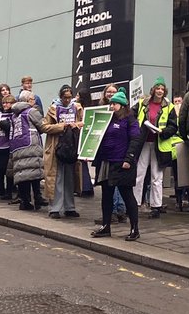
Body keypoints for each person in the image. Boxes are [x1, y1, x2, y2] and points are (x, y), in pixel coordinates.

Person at [91, 91, 144, 240]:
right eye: (111, 103)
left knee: (127, 195)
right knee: (106, 195)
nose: (111, 106)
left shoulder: (129, 119)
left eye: (114, 103)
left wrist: (129, 159)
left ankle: (135, 229)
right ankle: (106, 226)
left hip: (121, 162)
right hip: (106, 161)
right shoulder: (107, 118)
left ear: (122, 105)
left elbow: (135, 140)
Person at [135, 78, 179, 219]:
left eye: (162, 88)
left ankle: (156, 206)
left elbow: (173, 126)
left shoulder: (169, 106)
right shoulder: (143, 103)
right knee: (139, 174)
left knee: (157, 177)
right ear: (153, 89)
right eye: (157, 88)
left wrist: (163, 131)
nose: (160, 91)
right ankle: (134, 203)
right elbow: (132, 117)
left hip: (160, 143)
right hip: (143, 142)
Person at [43, 85, 84, 218]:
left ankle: (69, 207)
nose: (67, 100)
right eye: (64, 98)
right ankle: (55, 208)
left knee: (70, 177)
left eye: (69, 97)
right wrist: (62, 126)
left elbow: (84, 123)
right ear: (60, 97)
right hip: (57, 146)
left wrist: (76, 125)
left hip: (72, 145)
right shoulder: (53, 108)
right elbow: (45, 126)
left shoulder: (77, 108)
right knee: (57, 177)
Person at [9, 90, 46, 210]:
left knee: (23, 174)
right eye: (32, 99)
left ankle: (25, 201)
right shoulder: (32, 111)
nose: (34, 101)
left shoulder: (14, 114)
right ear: (27, 101)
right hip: (31, 145)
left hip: (18, 146)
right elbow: (42, 126)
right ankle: (38, 198)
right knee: (34, 171)